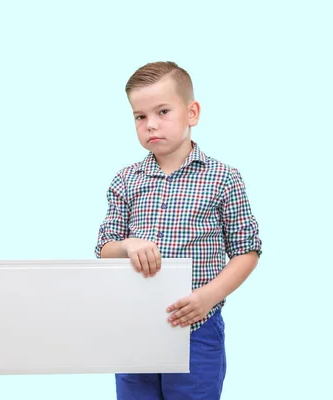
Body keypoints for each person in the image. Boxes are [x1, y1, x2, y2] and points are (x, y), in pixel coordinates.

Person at [95, 61, 262, 399]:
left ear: (192, 112)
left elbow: (247, 250)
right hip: (135, 327)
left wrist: (208, 297)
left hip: (196, 328)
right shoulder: (125, 181)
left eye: (163, 111)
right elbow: (104, 249)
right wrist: (128, 245)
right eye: (140, 117)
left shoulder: (223, 178)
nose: (150, 124)